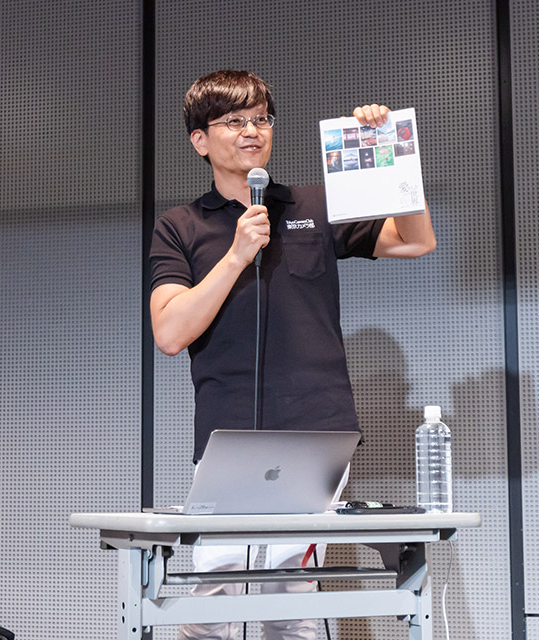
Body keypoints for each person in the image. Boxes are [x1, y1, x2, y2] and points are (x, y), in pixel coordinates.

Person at [149, 70, 435, 640]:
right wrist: (235, 255)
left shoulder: (313, 204)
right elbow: (170, 332)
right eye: (234, 121)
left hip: (313, 431)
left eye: (261, 119)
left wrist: (388, 156)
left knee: (289, 593)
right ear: (200, 140)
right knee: (215, 588)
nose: (252, 131)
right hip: (228, 433)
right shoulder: (181, 227)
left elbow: (415, 240)